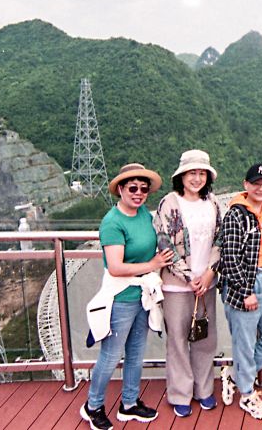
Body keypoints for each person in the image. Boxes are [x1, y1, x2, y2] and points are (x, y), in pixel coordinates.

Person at [82, 163, 174, 430]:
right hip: (121, 297)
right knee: (111, 355)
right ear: (120, 189)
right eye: (133, 188)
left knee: (135, 353)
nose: (139, 193)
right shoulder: (112, 222)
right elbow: (115, 267)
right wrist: (153, 264)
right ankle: (93, 406)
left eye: (144, 189)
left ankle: (129, 403)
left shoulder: (144, 214)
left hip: (143, 295)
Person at [152, 150, 223, 418]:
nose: (197, 178)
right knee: (178, 340)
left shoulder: (213, 203)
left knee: (205, 338)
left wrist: (208, 273)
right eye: (192, 173)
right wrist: (189, 276)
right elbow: (164, 244)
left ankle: (204, 390)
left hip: (206, 284)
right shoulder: (169, 203)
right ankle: (180, 393)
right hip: (176, 286)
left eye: (202, 173)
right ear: (181, 176)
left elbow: (220, 239)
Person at [218, 162, 262, 420]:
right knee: (245, 344)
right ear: (245, 185)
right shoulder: (235, 215)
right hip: (246, 284)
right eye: (256, 184)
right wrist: (245, 291)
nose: (261, 188)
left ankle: (235, 375)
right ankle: (247, 395)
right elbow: (229, 258)